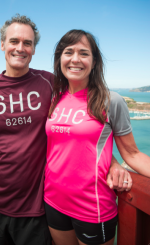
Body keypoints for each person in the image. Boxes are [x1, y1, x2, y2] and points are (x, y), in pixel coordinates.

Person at [0, 15, 131, 245]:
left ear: (34, 49)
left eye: (28, 43)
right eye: (14, 41)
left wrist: (112, 162)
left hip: (36, 209)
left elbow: (83, 127)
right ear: (2, 44)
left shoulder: (51, 85)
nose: (20, 48)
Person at [44, 29, 150, 245]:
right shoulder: (54, 97)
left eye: (84, 53)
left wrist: (114, 162)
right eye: (68, 52)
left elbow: (132, 153)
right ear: (60, 59)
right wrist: (111, 162)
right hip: (52, 201)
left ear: (94, 61)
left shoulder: (111, 100)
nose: (75, 59)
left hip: (93, 207)